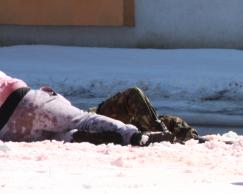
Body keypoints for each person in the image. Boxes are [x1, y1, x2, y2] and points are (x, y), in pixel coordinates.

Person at [0, 71, 173, 146]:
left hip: (6, 128)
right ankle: (133, 136)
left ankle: (74, 137)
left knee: (53, 137)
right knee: (85, 120)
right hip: (23, 99)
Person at [92, 87, 202, 142]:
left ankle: (195, 141)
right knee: (133, 94)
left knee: (173, 122)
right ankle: (161, 133)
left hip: (123, 125)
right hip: (96, 119)